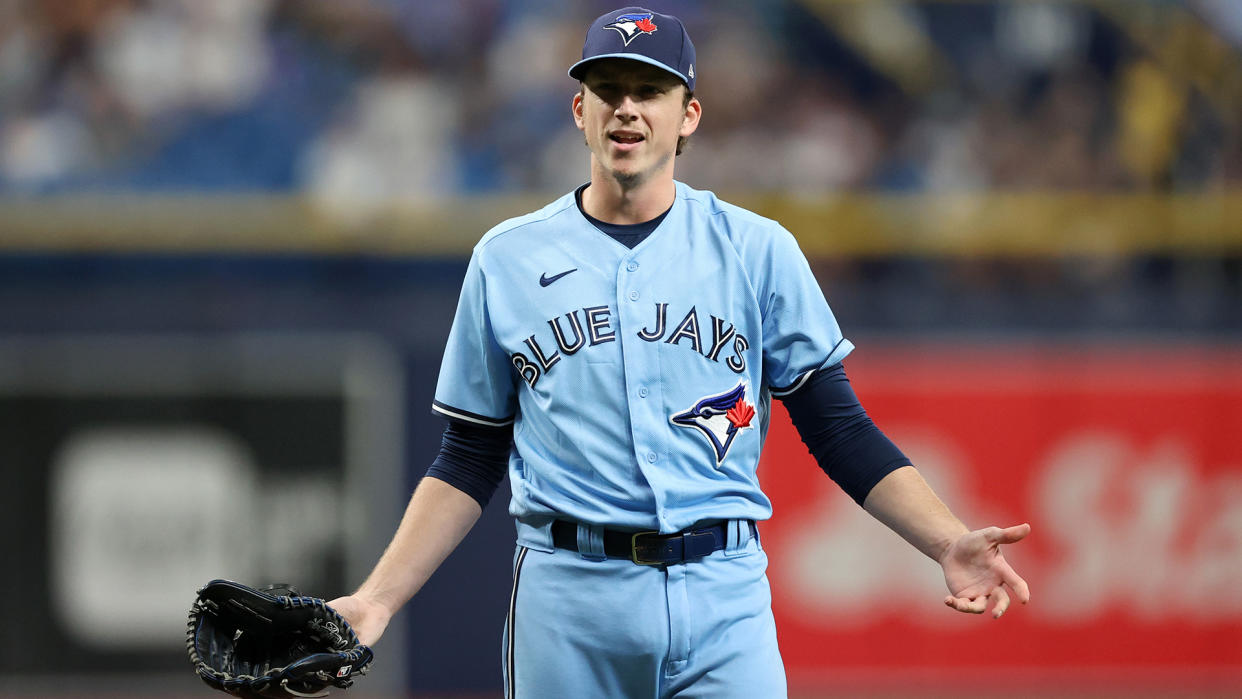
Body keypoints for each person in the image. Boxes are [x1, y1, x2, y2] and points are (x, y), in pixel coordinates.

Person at [329, 7, 1031, 698]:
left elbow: (839, 427)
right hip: (569, 599)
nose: (626, 108)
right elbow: (468, 455)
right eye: (607, 89)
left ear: (688, 114)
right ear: (579, 110)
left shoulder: (756, 250)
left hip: (723, 598)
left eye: (649, 91)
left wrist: (945, 541)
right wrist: (377, 600)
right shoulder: (506, 259)